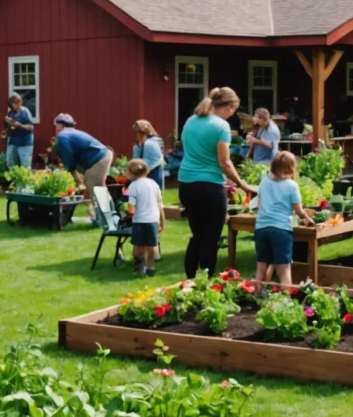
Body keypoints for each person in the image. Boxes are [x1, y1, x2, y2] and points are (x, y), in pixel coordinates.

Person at [178, 87, 258, 279]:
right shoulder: (221, 127)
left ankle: (189, 281)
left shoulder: (190, 121)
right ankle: (206, 285)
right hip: (209, 187)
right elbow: (225, 162)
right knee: (211, 238)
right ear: (230, 107)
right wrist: (243, 184)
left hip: (186, 184)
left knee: (197, 235)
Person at [253, 151, 313, 286]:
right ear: (291, 168)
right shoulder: (291, 185)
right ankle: (285, 301)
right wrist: (307, 218)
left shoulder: (264, 181)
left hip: (261, 228)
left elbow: (259, 204)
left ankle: (255, 298)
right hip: (281, 230)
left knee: (261, 268)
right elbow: (298, 210)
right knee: (283, 270)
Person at [54, 114, 112, 222]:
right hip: (99, 157)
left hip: (98, 159)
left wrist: (78, 180)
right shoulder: (73, 132)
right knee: (93, 189)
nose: (55, 129)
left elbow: (69, 160)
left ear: (60, 126)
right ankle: (99, 216)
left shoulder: (62, 136)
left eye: (56, 126)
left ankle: (104, 219)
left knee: (94, 189)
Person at [126, 159, 164, 278]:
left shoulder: (133, 186)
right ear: (146, 171)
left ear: (131, 173)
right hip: (153, 219)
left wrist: (126, 216)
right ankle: (151, 269)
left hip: (140, 220)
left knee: (138, 246)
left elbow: (132, 209)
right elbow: (159, 204)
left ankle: (139, 267)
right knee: (151, 245)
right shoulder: (153, 184)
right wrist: (163, 221)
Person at [132, 120, 166, 190]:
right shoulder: (138, 145)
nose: (138, 135)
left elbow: (154, 161)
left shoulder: (153, 142)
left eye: (140, 132)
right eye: (137, 132)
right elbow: (136, 158)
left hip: (154, 173)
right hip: (142, 174)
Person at [3, 94, 34, 168]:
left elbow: (31, 127)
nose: (16, 104)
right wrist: (7, 131)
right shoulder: (10, 113)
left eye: (18, 102)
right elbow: (10, 128)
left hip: (24, 143)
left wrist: (19, 125)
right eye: (13, 103)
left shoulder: (25, 112)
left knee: (25, 167)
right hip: (12, 142)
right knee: (11, 165)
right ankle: (13, 179)